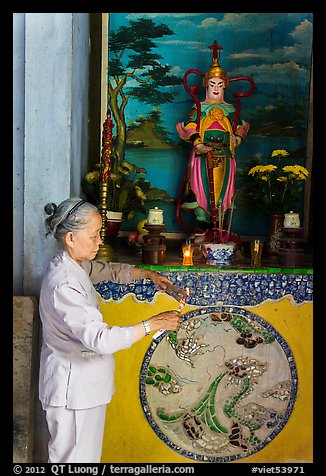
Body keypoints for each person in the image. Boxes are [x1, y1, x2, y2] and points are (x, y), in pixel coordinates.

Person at [38, 197, 181, 463]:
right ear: (70, 238)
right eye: (93, 236)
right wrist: (153, 324)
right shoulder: (64, 284)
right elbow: (100, 340)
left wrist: (147, 275)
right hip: (73, 392)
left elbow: (104, 270)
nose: (99, 242)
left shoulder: (74, 267)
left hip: (84, 388)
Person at [176, 54, 249, 227]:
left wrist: (237, 138)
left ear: (225, 87)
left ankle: (220, 228)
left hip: (225, 156)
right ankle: (202, 225)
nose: (216, 88)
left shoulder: (230, 110)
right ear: (206, 86)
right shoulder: (199, 108)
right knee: (201, 189)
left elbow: (240, 126)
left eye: (220, 85)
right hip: (202, 156)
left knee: (223, 191)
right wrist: (198, 143)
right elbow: (189, 126)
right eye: (212, 84)